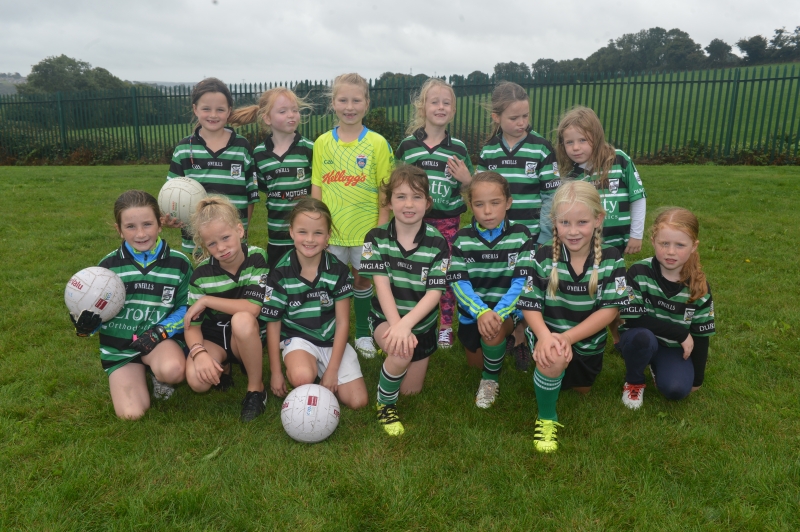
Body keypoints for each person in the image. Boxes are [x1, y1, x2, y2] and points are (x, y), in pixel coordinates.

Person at [517, 180, 627, 453]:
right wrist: (546, 337)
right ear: (554, 222)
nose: (573, 231)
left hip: (588, 343)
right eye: (565, 222)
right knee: (554, 359)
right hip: (549, 336)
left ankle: (556, 373)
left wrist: (568, 338)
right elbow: (530, 303)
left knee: (581, 390)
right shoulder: (543, 255)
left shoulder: (612, 258)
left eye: (582, 222)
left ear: (598, 219)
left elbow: (610, 310)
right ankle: (546, 418)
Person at [73, 190, 192, 419]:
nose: (140, 234)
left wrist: (161, 331)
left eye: (147, 224)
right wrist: (87, 326)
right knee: (131, 414)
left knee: (173, 370)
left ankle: (159, 375)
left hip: (158, 342)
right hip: (121, 347)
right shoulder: (106, 268)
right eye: (130, 226)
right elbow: (98, 311)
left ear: (160, 224)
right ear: (119, 229)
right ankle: (136, 373)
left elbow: (187, 308)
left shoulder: (179, 263)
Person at [360, 165, 450, 436]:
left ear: (428, 203)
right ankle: (385, 405)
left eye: (416, 197)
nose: (408, 204)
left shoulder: (438, 242)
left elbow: (434, 294)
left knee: (411, 391)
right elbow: (382, 287)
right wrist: (397, 327)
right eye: (400, 196)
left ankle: (392, 355)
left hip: (422, 326)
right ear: (388, 201)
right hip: (386, 319)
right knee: (401, 352)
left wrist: (407, 325)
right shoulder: (374, 238)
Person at [311, 73, 393, 359]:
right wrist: (316, 228)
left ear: (367, 104)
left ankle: (361, 333)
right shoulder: (322, 143)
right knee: (328, 283)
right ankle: (330, 333)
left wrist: (379, 231)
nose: (349, 107)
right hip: (331, 233)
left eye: (356, 100)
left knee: (362, 281)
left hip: (365, 233)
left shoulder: (377, 143)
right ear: (333, 103)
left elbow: (385, 192)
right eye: (343, 100)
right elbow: (317, 187)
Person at [476, 81, 558, 370]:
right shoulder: (489, 151)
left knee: (528, 285)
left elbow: (551, 197)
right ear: (496, 117)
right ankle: (507, 328)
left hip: (532, 238)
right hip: (498, 238)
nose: (522, 122)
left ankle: (522, 336)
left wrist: (545, 237)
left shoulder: (541, 148)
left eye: (525, 116)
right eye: (514, 118)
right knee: (506, 283)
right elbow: (481, 192)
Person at [262, 198, 368, 410]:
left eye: (318, 233)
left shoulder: (338, 271)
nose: (310, 239)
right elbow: (273, 324)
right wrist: (275, 372)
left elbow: (343, 323)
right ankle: (306, 367)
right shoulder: (280, 272)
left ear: (328, 236)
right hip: (299, 339)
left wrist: (332, 371)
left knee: (358, 402)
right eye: (302, 232)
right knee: (301, 377)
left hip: (331, 340)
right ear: (291, 232)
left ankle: (323, 369)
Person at [394, 78, 473, 350]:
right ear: (423, 107)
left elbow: (471, 188)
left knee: (445, 273)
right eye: (435, 102)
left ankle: (445, 326)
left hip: (448, 222)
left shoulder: (458, 148)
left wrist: (467, 179)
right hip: (413, 222)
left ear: (453, 110)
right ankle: (413, 320)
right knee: (414, 272)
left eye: (446, 103)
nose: (441, 107)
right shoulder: (408, 146)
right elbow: (396, 185)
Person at [446, 171, 533, 409]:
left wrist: (498, 314)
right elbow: (459, 283)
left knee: (492, 335)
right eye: (479, 204)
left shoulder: (521, 235)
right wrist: (481, 312)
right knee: (475, 364)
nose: (487, 211)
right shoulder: (461, 239)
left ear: (508, 202)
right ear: (470, 205)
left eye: (495, 203)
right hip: (473, 314)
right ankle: (505, 343)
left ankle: (491, 379)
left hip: (506, 312)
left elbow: (522, 283)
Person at [618, 208, 715, 409]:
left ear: (693, 246)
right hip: (639, 337)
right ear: (653, 241)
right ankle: (634, 381)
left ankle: (658, 365)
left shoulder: (698, 286)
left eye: (680, 245)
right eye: (664, 244)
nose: (671, 251)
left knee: (676, 389)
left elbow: (700, 335)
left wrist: (697, 379)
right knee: (642, 339)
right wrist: (679, 333)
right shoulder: (638, 272)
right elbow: (632, 318)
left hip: (672, 347)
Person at [183, 195, 269, 422]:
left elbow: (252, 308)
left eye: (225, 238)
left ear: (239, 230)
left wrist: (207, 300)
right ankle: (223, 365)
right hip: (214, 338)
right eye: (212, 244)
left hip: (244, 335)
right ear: (204, 245)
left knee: (242, 319)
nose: (221, 248)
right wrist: (199, 353)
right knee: (197, 381)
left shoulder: (257, 257)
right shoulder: (200, 275)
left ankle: (256, 389)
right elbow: (192, 325)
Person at [164, 77, 260, 254]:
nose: (213, 115)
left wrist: (242, 232)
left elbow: (251, 195)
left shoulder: (241, 147)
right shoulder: (184, 149)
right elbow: (170, 194)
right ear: (195, 109)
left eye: (220, 109)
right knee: (203, 273)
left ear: (229, 111)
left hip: (232, 241)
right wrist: (170, 217)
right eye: (206, 109)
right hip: (198, 242)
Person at [229, 87, 314, 270]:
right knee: (278, 279)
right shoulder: (259, 154)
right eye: (283, 111)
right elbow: (266, 188)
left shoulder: (309, 148)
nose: (291, 115)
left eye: (295, 110)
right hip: (277, 236)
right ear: (267, 118)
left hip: (308, 234)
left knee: (308, 275)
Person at [555, 106, 646, 256]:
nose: (576, 147)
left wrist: (636, 235)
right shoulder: (570, 177)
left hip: (618, 244)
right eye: (569, 142)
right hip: (585, 246)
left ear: (597, 138)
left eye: (583, 140)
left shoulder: (619, 160)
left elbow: (638, 198)